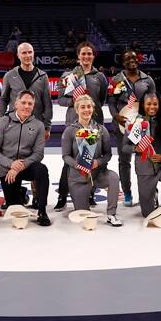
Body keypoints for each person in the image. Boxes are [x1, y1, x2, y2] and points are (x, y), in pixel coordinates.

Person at [54, 42, 109, 210]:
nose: (86, 57)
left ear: (93, 56)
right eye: (83, 54)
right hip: (74, 124)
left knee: (92, 159)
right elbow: (61, 100)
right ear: (78, 56)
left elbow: (102, 99)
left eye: (89, 54)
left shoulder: (99, 76)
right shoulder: (68, 76)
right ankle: (63, 195)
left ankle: (90, 193)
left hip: (94, 124)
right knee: (69, 160)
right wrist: (75, 100)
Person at [0, 90, 51, 226]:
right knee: (15, 209)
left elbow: (38, 154)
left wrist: (21, 165)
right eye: (23, 103)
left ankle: (42, 211)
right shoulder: (4, 122)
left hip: (27, 166)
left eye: (30, 104)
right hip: (7, 168)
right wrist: (11, 164)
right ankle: (20, 193)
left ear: (34, 106)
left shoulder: (38, 125)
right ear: (16, 104)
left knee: (42, 170)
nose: (27, 106)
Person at [122, 94, 161, 224]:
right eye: (148, 104)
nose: (152, 107)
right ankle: (153, 194)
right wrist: (136, 149)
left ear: (159, 105)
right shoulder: (135, 123)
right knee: (147, 214)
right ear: (142, 106)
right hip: (144, 169)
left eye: (155, 104)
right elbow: (124, 147)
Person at [61, 95, 122, 226]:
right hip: (78, 177)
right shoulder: (69, 131)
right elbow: (65, 156)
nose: (86, 110)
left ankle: (111, 214)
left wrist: (98, 162)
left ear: (93, 109)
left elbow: (108, 154)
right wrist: (78, 165)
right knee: (84, 217)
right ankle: (84, 198)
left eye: (89, 107)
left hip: (98, 174)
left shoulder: (101, 130)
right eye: (82, 107)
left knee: (113, 177)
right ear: (77, 110)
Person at [107, 50, 156, 207]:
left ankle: (150, 191)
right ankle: (127, 192)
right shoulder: (116, 79)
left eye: (134, 58)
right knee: (124, 160)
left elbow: (153, 102)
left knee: (146, 157)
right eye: (127, 58)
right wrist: (116, 117)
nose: (132, 60)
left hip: (143, 125)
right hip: (123, 125)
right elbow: (112, 102)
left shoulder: (147, 79)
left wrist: (148, 119)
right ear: (123, 62)